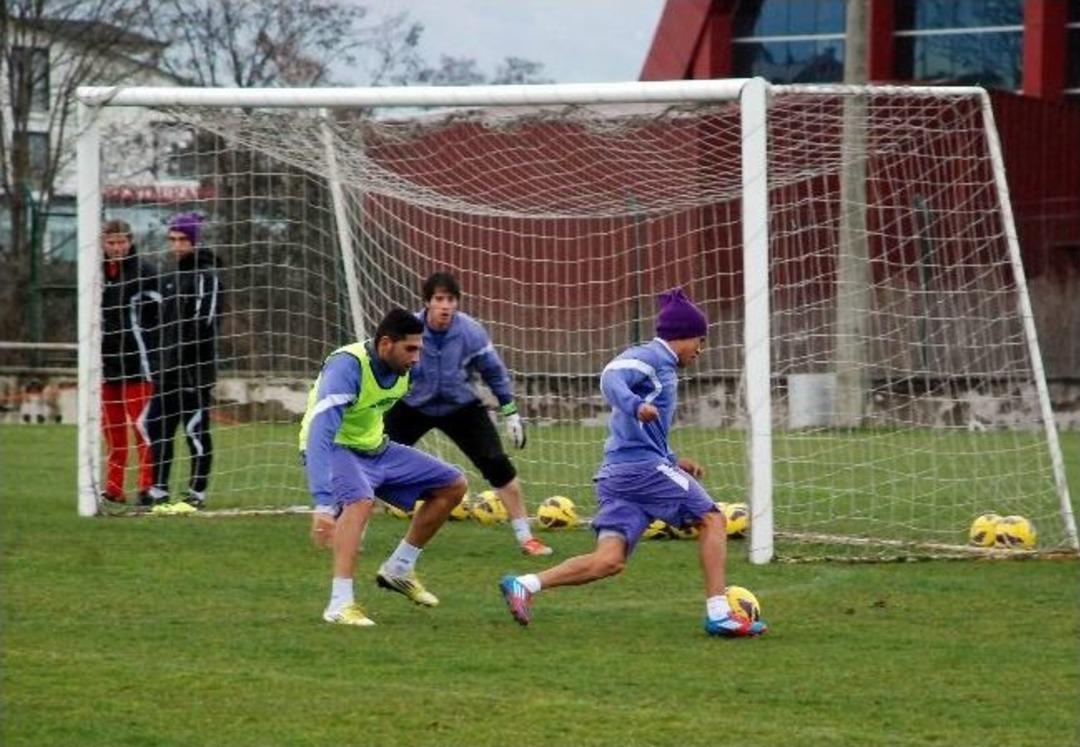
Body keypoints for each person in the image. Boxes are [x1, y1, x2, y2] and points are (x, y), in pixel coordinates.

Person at [498, 289, 768, 638]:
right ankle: (719, 614)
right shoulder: (651, 356)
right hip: (641, 471)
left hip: (619, 474)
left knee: (609, 560)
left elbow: (640, 433)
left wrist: (673, 461)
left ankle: (525, 584)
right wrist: (634, 405)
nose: (701, 349)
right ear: (683, 335)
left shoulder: (663, 367)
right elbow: (611, 375)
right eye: (700, 340)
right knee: (713, 519)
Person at [299, 308, 469, 626]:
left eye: (420, 349)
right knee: (360, 501)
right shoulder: (346, 367)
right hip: (335, 447)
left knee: (453, 485)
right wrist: (322, 503)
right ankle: (339, 605)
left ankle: (399, 569)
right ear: (386, 344)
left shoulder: (406, 369)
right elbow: (320, 432)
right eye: (410, 349)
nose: (417, 357)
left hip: (376, 449)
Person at [383, 271, 552, 557]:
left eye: (451, 299)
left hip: (460, 406)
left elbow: (494, 372)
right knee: (371, 460)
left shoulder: (471, 332)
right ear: (427, 302)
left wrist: (510, 412)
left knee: (497, 463)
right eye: (439, 299)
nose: (445, 306)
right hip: (413, 405)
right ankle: (345, 526)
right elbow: (384, 363)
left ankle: (526, 538)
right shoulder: (408, 329)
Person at [144, 212, 221, 511]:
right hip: (167, 372)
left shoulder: (206, 278)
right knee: (157, 427)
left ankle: (196, 492)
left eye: (182, 239)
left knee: (194, 431)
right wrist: (159, 360)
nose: (176, 245)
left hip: (193, 373)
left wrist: (185, 359)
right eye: (172, 239)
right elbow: (160, 326)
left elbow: (205, 323)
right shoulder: (169, 278)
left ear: (194, 241)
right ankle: (158, 489)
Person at [99, 218, 161, 507]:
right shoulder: (96, 273)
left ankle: (148, 487)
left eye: (121, 242)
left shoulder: (145, 272)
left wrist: (156, 352)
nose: (117, 248)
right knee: (112, 430)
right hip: (105, 364)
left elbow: (160, 316)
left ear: (131, 241)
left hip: (139, 364)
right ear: (103, 244)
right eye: (111, 243)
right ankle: (114, 488)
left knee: (143, 428)